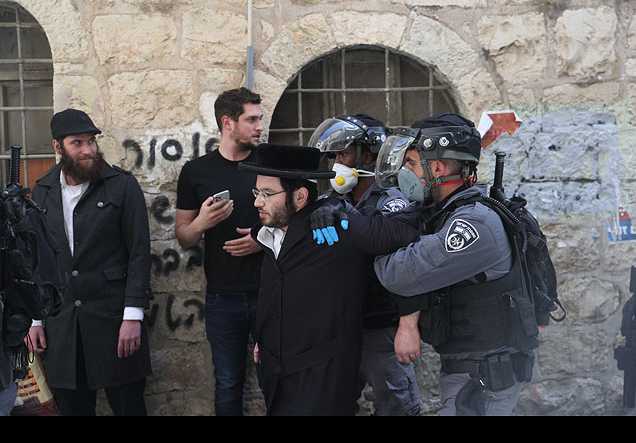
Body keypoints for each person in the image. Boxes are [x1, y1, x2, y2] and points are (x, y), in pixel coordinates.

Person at [371, 113, 539, 416]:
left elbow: (397, 275)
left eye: (410, 163)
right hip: (468, 372)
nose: (405, 172)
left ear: (436, 167)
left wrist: (381, 235)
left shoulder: (473, 224)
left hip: (484, 381)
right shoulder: (444, 213)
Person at [238, 143, 420, 416]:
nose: (257, 202)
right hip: (277, 371)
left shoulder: (336, 228)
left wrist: (342, 209)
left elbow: (407, 234)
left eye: (266, 193)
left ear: (299, 196)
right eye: (257, 192)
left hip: (324, 378)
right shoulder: (270, 234)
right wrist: (267, 336)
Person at [28, 108, 153, 416]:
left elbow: (139, 253)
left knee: (129, 408)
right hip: (63, 327)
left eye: (91, 142)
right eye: (77, 143)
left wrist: (133, 317)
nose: (88, 150)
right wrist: (35, 320)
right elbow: (36, 259)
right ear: (58, 147)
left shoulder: (122, 186)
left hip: (115, 322)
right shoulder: (42, 190)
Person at [308, 114, 420, 416]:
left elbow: (397, 243)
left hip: (379, 325)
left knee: (398, 405)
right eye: (333, 156)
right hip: (341, 326)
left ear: (366, 154)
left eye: (343, 154)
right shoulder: (332, 199)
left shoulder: (391, 198)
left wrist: (345, 216)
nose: (335, 163)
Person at [175, 87, 264, 416]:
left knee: (276, 378)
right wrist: (201, 223)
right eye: (251, 120)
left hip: (270, 292)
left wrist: (262, 240)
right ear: (228, 122)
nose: (259, 127)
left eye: (260, 119)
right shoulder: (197, 172)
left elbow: (296, 224)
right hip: (222, 298)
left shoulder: (269, 163)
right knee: (228, 383)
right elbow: (183, 237)